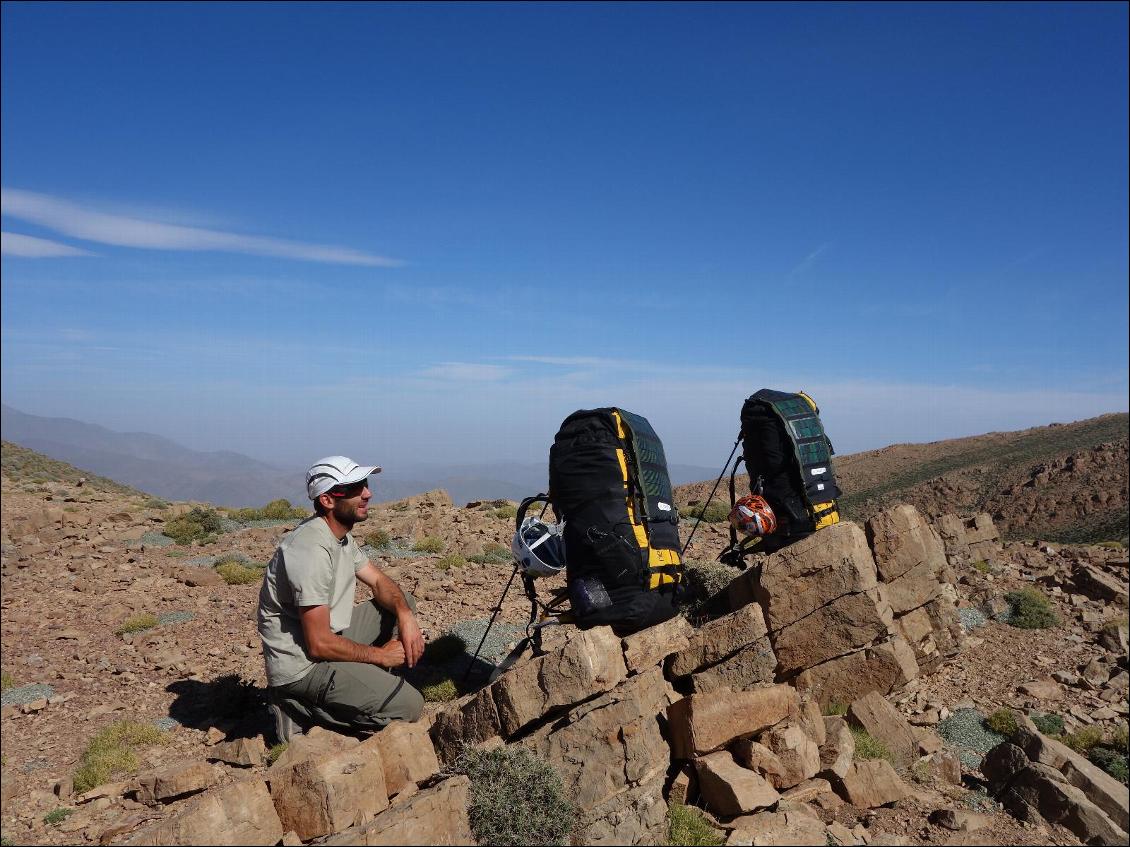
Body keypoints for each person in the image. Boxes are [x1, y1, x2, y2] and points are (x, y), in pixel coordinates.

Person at [257, 456, 425, 742]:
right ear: (327, 500)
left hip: (329, 637)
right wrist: (382, 656)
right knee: (410, 706)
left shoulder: (340, 537)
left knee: (401, 601)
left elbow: (379, 581)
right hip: (302, 666)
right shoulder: (310, 551)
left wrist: (405, 616)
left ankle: (366, 685)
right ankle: (298, 709)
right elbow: (318, 644)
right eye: (355, 488)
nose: (367, 493)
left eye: (365, 484)